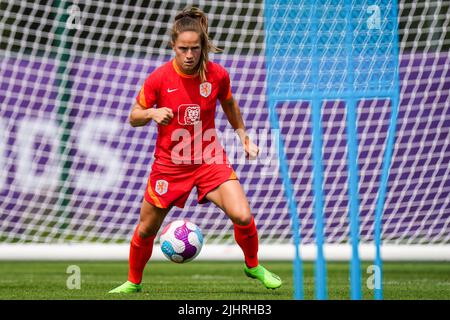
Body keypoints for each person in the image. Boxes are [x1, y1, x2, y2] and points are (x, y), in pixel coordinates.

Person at [109, 6, 282, 294]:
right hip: (170, 165)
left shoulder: (216, 75)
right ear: (173, 46)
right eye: (183, 49)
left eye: (194, 48)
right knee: (147, 229)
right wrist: (152, 114)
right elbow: (133, 115)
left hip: (209, 159)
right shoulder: (159, 78)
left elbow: (229, 102)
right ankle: (133, 282)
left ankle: (252, 265)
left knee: (243, 215)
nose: (189, 55)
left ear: (203, 46)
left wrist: (243, 137)